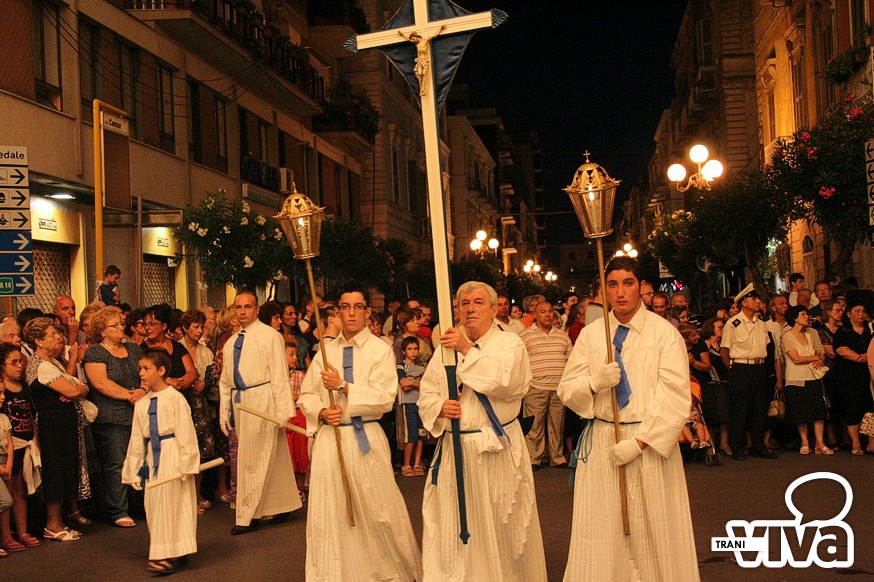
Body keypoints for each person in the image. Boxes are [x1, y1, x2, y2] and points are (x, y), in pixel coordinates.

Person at [557, 256, 698, 581]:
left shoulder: (664, 334)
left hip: (649, 444)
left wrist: (639, 443)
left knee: (654, 526)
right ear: (604, 290)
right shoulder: (592, 335)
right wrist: (593, 383)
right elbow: (567, 389)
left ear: (641, 286)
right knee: (602, 528)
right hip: (603, 441)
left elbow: (676, 397)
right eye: (612, 284)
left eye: (628, 283)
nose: (620, 292)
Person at [419, 281, 547, 581]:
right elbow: (427, 392)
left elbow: (504, 383)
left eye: (478, 302)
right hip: (456, 448)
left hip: (495, 448)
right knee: (454, 523)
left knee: (502, 525)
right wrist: (440, 407)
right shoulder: (445, 348)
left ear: (493, 309)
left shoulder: (509, 343)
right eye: (464, 303)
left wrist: (466, 349)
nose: (470, 309)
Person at [298, 283, 421, 581]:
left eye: (357, 307)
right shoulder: (325, 350)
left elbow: (385, 397)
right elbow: (307, 395)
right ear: (337, 312)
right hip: (331, 439)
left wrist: (343, 387)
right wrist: (321, 411)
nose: (351, 313)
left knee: (377, 507)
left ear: (367, 312)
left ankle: (383, 572)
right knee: (331, 507)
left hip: (366, 437)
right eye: (345, 307)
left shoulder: (380, 350)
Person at [218, 292, 301, 535]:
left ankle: (249, 515)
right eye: (238, 307)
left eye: (248, 307)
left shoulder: (270, 336)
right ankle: (284, 504)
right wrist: (225, 411)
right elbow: (225, 381)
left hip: (263, 400)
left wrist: (283, 410)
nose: (242, 311)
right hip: (241, 402)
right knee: (270, 454)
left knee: (254, 458)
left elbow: (279, 373)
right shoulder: (232, 342)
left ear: (256, 310)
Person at [122, 349, 200, 575]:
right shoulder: (142, 403)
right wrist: (133, 469)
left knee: (175, 503)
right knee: (156, 505)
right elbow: (137, 438)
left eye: (146, 368)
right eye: (140, 368)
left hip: (172, 455)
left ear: (162, 370)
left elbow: (186, 433)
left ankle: (170, 554)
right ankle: (169, 550)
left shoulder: (175, 399)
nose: (141, 373)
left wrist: (187, 464)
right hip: (152, 459)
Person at [23, 317, 89, 541]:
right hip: (51, 426)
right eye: (52, 334)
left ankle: (59, 522)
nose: (58, 337)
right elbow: (73, 390)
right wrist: (78, 390)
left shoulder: (53, 363)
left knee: (64, 469)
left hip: (62, 424)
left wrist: (79, 388)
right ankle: (52, 524)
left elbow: (78, 386)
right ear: (38, 341)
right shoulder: (41, 366)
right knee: (55, 471)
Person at [82, 307, 144, 528]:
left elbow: (147, 371)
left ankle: (142, 504)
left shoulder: (134, 349)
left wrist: (143, 390)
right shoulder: (95, 353)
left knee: (141, 460)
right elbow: (100, 383)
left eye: (121, 324)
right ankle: (119, 510)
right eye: (115, 325)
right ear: (102, 330)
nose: (120, 328)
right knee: (116, 463)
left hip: (138, 414)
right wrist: (131, 395)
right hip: (111, 417)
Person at [720, 284, 778, 460]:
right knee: (740, 409)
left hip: (759, 367)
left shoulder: (761, 324)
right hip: (741, 367)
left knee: (759, 408)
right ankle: (737, 446)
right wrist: (733, 370)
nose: (758, 302)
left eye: (757, 299)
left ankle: (758, 445)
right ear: (744, 303)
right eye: (753, 299)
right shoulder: (733, 323)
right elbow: (724, 350)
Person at [519, 299, 572, 470]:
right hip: (536, 387)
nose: (548, 315)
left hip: (558, 388)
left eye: (550, 311)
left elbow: (570, 359)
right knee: (535, 425)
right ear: (535, 315)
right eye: (543, 312)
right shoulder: (525, 335)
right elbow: (520, 361)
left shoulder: (562, 335)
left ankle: (557, 457)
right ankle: (534, 458)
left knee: (557, 425)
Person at [0, 344, 40, 550]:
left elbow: (31, 415)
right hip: (9, 446)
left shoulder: (24, 387)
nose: (19, 366)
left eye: (21, 362)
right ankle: (6, 535)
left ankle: (22, 531)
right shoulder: (2, 390)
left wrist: (35, 440)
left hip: (26, 443)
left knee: (20, 489)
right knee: (7, 491)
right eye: (13, 362)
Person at [781, 306, 831, 455]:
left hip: (812, 376)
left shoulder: (810, 335)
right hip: (796, 378)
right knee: (800, 412)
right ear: (794, 318)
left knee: (818, 410)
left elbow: (818, 353)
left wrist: (818, 360)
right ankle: (804, 442)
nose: (807, 316)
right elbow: (796, 358)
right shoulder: (787, 336)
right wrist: (815, 358)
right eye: (803, 314)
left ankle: (820, 442)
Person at [180, 309, 216, 513]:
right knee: (186, 446)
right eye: (196, 327)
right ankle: (186, 494)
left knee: (202, 448)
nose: (200, 330)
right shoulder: (178, 348)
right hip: (184, 401)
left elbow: (211, 375)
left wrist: (204, 384)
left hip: (202, 403)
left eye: (202, 327)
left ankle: (198, 491)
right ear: (185, 328)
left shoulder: (206, 351)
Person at [832, 297, 873, 455]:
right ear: (849, 314)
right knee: (852, 409)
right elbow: (841, 350)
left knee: (869, 408)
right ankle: (856, 443)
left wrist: (868, 357)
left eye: (863, 311)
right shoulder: (843, 332)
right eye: (857, 311)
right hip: (849, 376)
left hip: (869, 376)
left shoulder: (870, 331)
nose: (861, 314)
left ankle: (871, 443)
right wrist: (860, 357)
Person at [397, 336, 426, 477]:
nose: (413, 352)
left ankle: (417, 463)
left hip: (421, 403)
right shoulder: (401, 366)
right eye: (409, 349)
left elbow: (427, 385)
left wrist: (412, 383)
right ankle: (406, 464)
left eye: (415, 349)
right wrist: (417, 384)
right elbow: (404, 385)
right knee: (410, 435)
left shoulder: (422, 368)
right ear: (404, 351)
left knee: (421, 434)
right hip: (408, 403)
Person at [283, 341, 308, 501]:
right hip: (284, 416)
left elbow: (305, 395)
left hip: (298, 415)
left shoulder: (299, 375)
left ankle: (300, 488)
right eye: (291, 355)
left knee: (301, 454)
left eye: (295, 355)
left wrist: (294, 397)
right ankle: (288, 490)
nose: (295, 358)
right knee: (288, 454)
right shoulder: (276, 377)